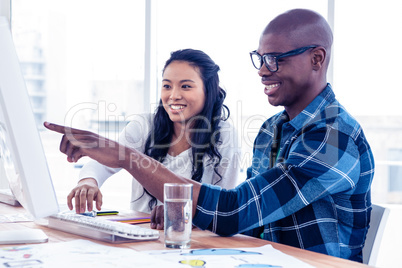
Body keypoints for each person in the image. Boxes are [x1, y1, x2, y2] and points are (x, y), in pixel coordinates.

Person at [45, 9, 374, 262]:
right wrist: (183, 216)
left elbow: (235, 211)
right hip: (264, 259)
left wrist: (125, 158)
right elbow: (254, 223)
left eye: (274, 59)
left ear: (317, 58)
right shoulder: (271, 129)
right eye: (260, 59)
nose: (262, 70)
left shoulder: (334, 136)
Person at [62, 49, 241, 214]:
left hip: (194, 241)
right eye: (167, 86)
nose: (173, 95)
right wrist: (88, 182)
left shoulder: (224, 136)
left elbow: (222, 208)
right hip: (141, 235)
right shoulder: (144, 125)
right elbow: (104, 162)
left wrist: (180, 215)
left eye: (186, 86)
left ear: (208, 91)